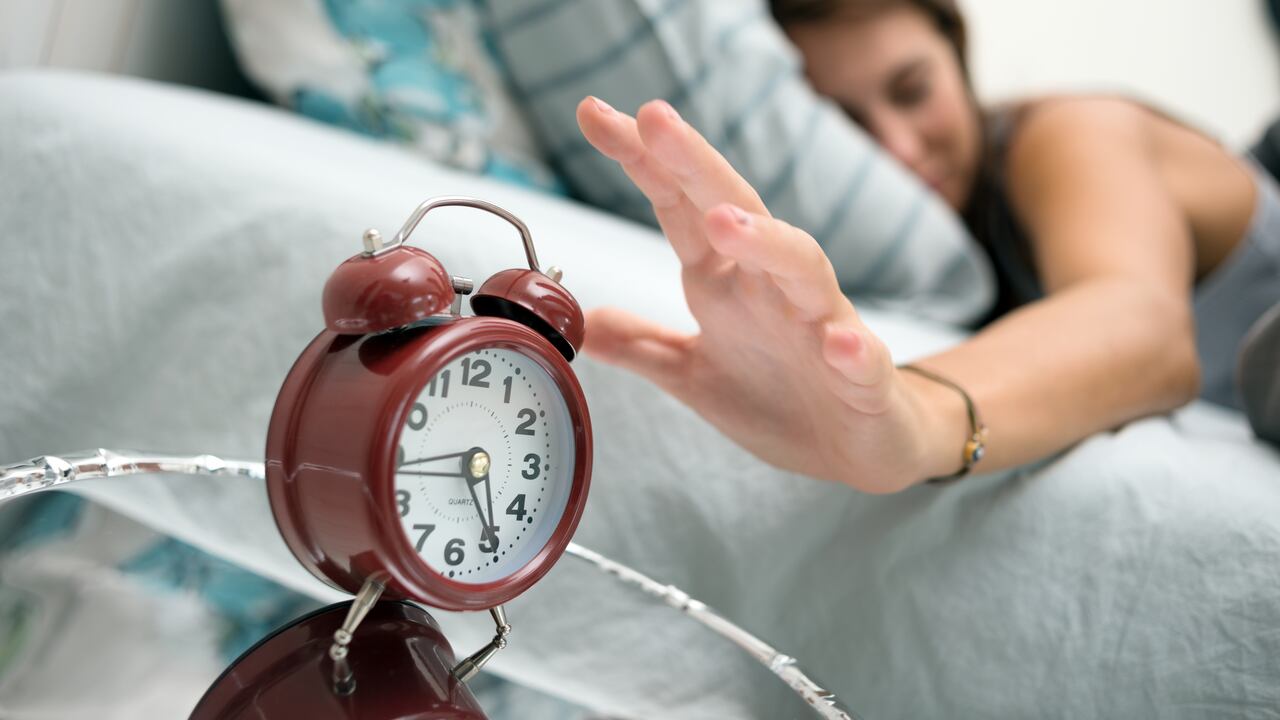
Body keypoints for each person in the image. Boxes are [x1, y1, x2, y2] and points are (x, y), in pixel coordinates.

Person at [571, 0, 1280, 494]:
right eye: (848, 129)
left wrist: (913, 416)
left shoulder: (1070, 133)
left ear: (957, 53)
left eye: (912, 90)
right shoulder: (940, 260)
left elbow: (1143, 325)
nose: (901, 148)